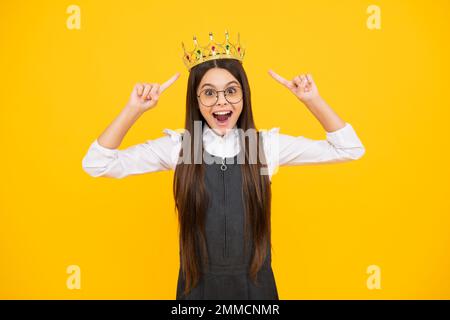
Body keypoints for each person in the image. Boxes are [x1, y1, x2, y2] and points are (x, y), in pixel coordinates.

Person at [81, 31, 365, 300]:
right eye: (209, 93)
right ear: (196, 99)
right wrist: (134, 109)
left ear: (244, 95)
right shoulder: (183, 147)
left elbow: (349, 149)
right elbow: (97, 164)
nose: (221, 102)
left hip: (256, 293)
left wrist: (312, 100)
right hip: (197, 292)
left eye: (231, 91)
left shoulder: (262, 146)